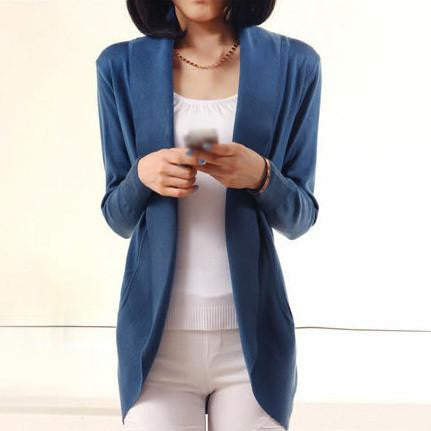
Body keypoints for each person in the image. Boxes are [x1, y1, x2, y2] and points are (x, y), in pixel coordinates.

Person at [95, 0, 322, 429]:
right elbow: (116, 216)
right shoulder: (120, 66)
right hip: (155, 346)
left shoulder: (294, 63)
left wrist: (262, 176)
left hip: (252, 346)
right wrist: (141, 177)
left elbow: (300, 217)